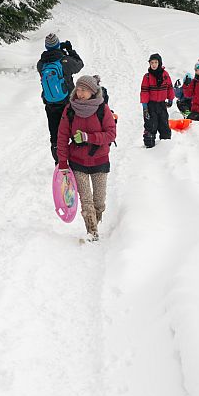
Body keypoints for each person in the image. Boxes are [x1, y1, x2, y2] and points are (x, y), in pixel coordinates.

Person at [57, 75, 117, 241]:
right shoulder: (70, 109)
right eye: (79, 89)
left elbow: (111, 134)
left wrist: (88, 137)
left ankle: (95, 222)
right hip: (77, 162)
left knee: (99, 202)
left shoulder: (102, 109)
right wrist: (62, 162)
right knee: (86, 200)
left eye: (84, 90)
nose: (80, 93)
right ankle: (92, 232)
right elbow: (62, 136)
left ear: (93, 91)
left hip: (100, 160)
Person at [37, 33, 84, 162]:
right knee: (74, 130)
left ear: (46, 47)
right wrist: (69, 50)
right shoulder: (65, 61)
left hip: (50, 104)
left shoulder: (41, 64)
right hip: (67, 103)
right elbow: (79, 64)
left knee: (55, 134)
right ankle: (77, 158)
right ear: (58, 44)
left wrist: (59, 52)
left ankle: (59, 162)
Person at [140, 53, 175, 148]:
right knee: (151, 125)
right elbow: (144, 91)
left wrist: (170, 99)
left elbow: (170, 87)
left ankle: (165, 145)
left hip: (162, 105)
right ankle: (149, 145)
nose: (154, 64)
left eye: (156, 62)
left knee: (164, 124)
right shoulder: (147, 77)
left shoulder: (165, 75)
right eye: (152, 63)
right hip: (151, 106)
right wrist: (145, 107)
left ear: (159, 63)